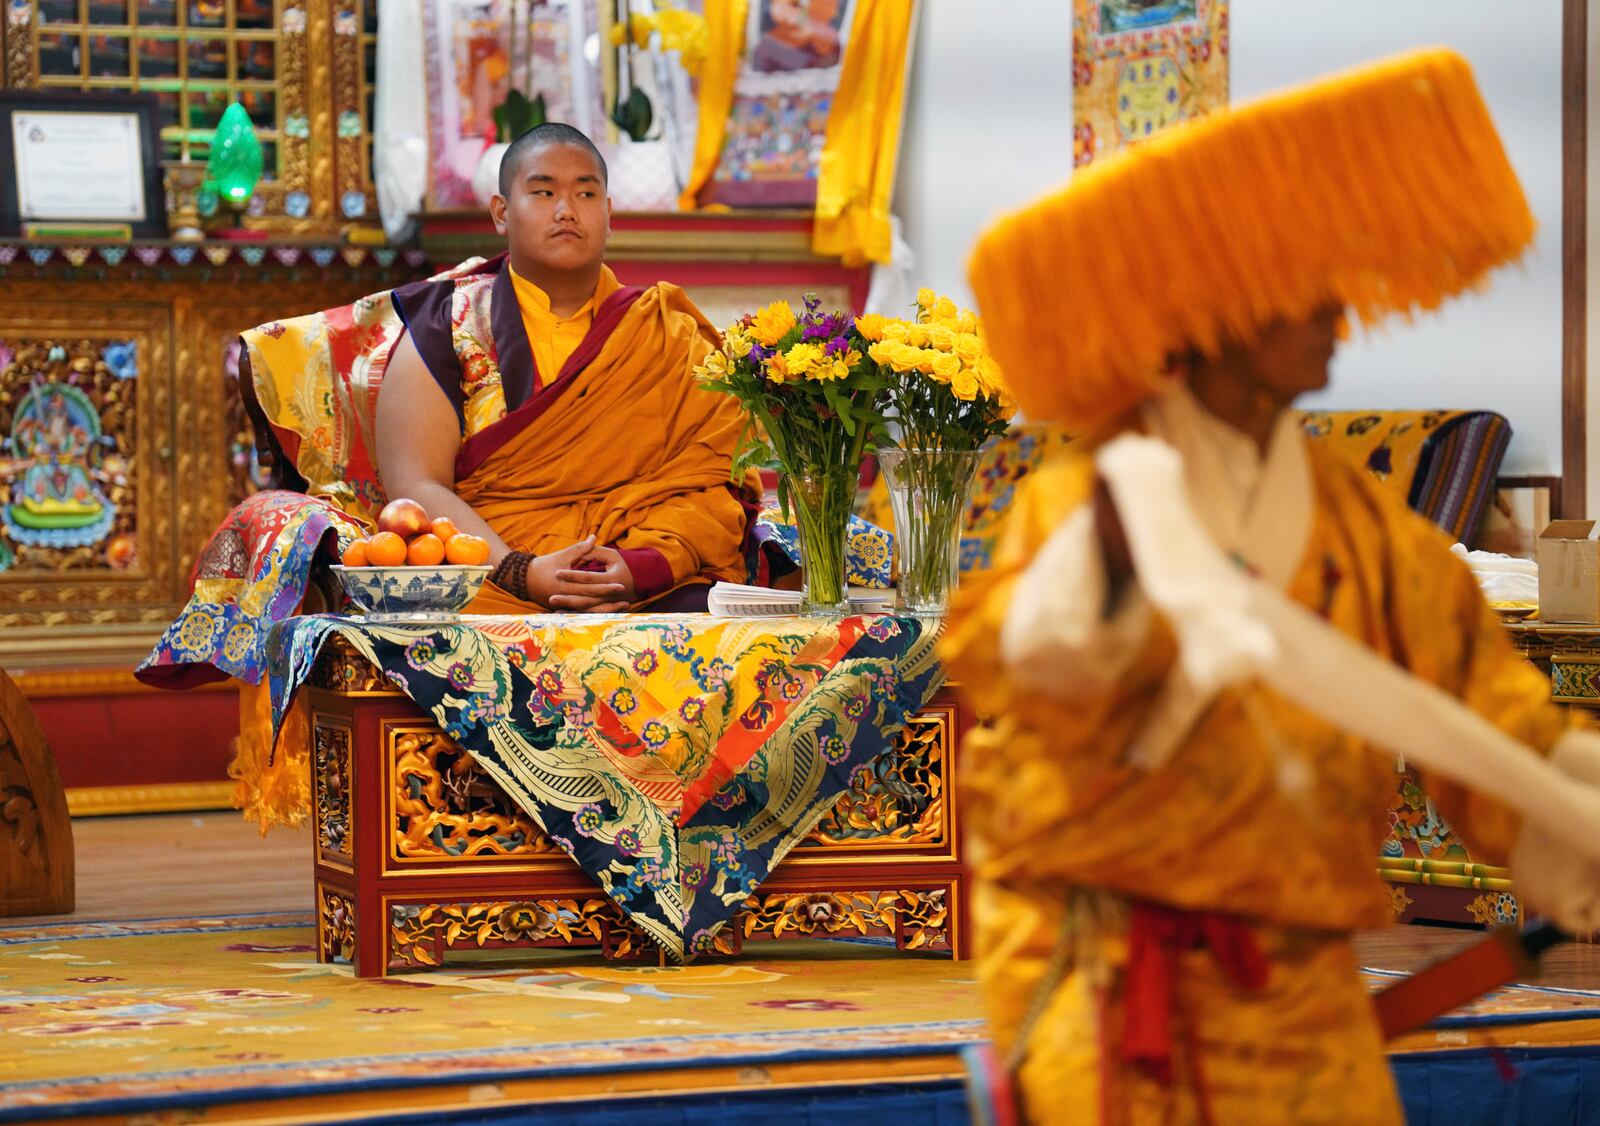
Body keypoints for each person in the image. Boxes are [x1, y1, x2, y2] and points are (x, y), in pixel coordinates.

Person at [944, 50, 1599, 1124]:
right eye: (1302, 283)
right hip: (1111, 978)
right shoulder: (1086, 501)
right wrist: (1127, 550)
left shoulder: (1361, 528)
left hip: (1304, 990)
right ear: (1217, 305)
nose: (1338, 307)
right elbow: (1043, 658)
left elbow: (1495, 720)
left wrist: (1565, 817)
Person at [377, 122, 753, 615]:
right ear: (501, 213)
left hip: (640, 581)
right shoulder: (446, 327)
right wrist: (520, 571)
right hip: (493, 578)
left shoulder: (666, 334)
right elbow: (416, 485)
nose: (566, 210)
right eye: (543, 191)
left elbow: (714, 479)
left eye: (585, 192)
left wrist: (642, 566)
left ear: (609, 213)